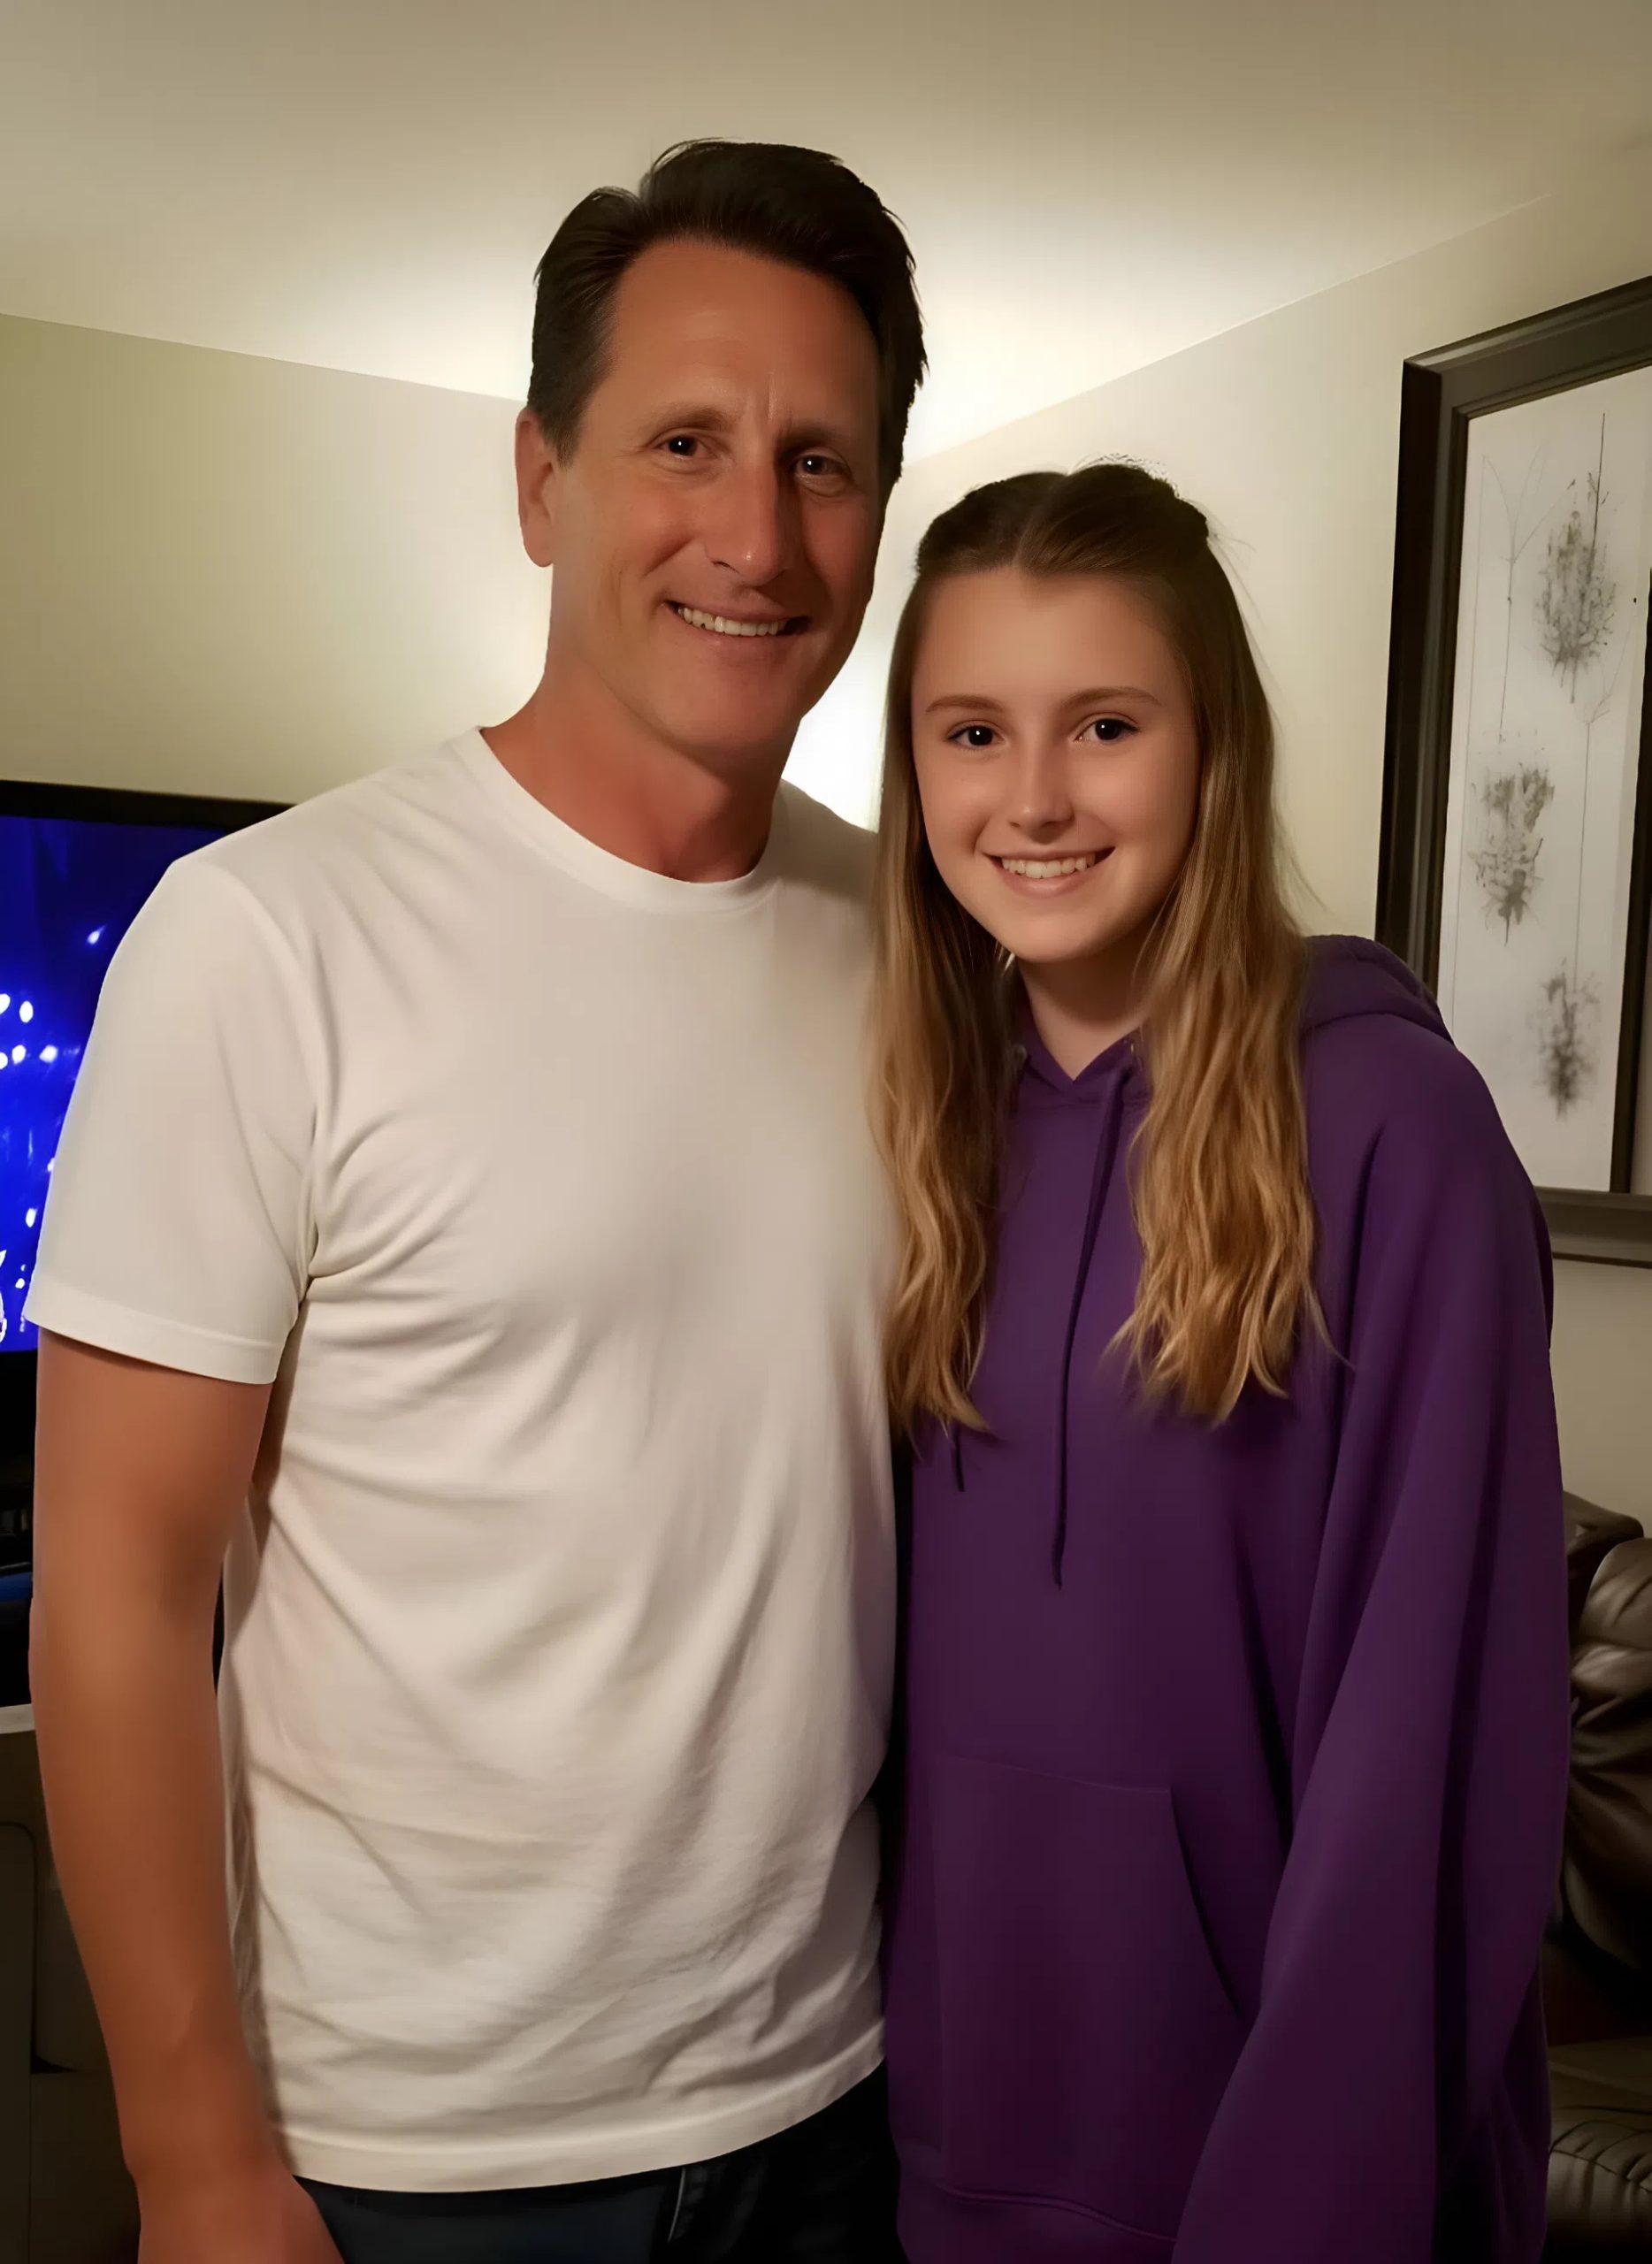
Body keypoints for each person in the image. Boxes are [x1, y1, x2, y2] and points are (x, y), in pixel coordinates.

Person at [27, 140, 924, 2264]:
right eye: (683, 442)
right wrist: (191, 2155)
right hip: (405, 2159)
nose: (754, 531)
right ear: (541, 480)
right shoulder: (266, 938)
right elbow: (117, 1590)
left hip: (836, 2100)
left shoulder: (923, 942)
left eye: (820, 461)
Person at [872, 463, 1571, 2262]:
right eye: (972, 731)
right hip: (948, 2168)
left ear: (1213, 749)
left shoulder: (1395, 1132)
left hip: (1286, 2189)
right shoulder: (928, 1128)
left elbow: (1430, 1764)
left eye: (1106, 724)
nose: (1034, 796)